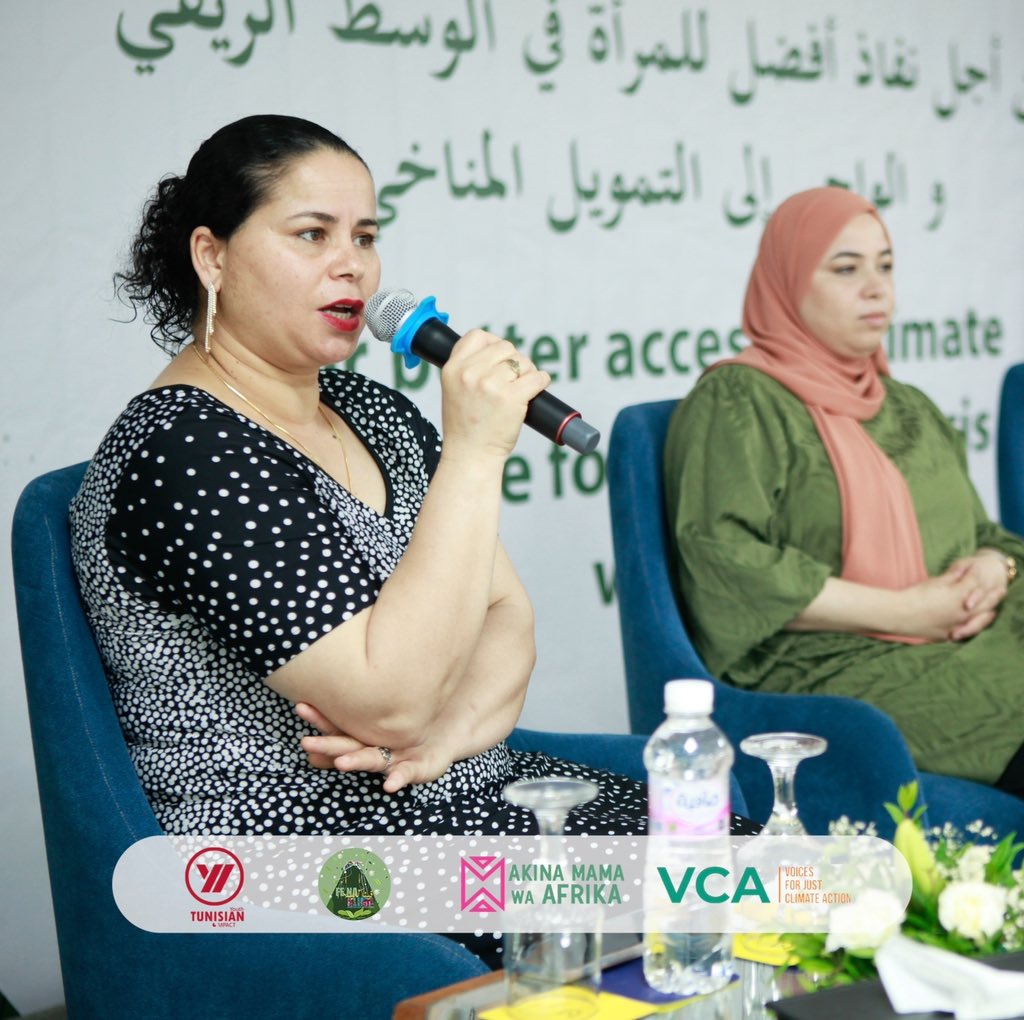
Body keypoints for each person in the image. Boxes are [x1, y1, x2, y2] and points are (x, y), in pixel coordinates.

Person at [70, 114, 664, 844]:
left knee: (753, 868)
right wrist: (476, 452)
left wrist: (436, 741)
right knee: (706, 906)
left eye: (366, 237)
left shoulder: (368, 409)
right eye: (312, 234)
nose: (351, 264)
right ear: (212, 257)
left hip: (452, 794)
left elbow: (510, 620)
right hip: (298, 850)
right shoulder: (183, 450)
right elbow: (391, 703)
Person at [664, 186, 1024, 795]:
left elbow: (983, 531)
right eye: (846, 269)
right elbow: (724, 563)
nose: (877, 288)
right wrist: (910, 612)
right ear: (787, 282)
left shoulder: (909, 407)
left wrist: (994, 564)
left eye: (885, 266)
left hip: (972, 631)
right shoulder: (738, 402)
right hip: (838, 661)